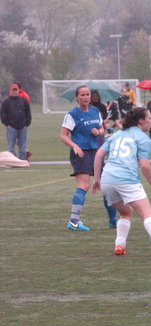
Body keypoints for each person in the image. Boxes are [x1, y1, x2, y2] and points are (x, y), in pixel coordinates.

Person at [92, 107, 151, 257]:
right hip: (126, 180)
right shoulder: (143, 138)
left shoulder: (116, 135)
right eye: (149, 118)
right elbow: (144, 165)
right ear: (140, 121)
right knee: (147, 213)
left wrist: (97, 179)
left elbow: (98, 155)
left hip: (107, 180)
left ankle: (119, 245)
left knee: (125, 212)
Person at [59, 85, 106, 231]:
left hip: (96, 152)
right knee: (84, 186)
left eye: (88, 94)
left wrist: (99, 131)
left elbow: (102, 128)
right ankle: (74, 222)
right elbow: (63, 136)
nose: (86, 97)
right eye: (83, 95)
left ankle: (113, 221)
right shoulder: (72, 114)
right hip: (81, 153)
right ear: (77, 97)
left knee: (106, 185)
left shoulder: (95, 111)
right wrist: (74, 146)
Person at [90, 90, 119, 226]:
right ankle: (75, 219)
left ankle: (112, 218)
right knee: (84, 186)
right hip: (86, 148)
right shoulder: (83, 111)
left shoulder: (100, 108)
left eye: (96, 96)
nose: (94, 98)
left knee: (105, 184)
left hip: (99, 143)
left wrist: (106, 128)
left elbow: (103, 124)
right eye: (93, 96)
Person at [1, 82, 31, 160]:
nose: (14, 91)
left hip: (22, 127)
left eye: (16, 89)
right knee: (11, 146)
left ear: (18, 90)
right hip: (11, 127)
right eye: (13, 90)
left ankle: (22, 160)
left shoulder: (23, 101)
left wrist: (27, 124)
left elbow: (28, 112)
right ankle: (12, 160)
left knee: (23, 146)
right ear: (10, 90)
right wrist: (7, 124)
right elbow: (3, 114)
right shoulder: (6, 102)